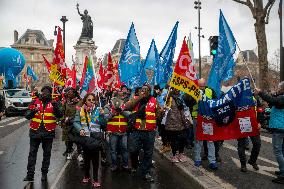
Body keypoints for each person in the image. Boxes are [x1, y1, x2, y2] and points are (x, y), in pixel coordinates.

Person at [23, 86, 63, 182]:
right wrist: (33, 111)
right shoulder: (35, 102)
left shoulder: (54, 103)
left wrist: (56, 106)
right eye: (43, 92)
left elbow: (60, 115)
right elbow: (27, 116)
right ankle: (30, 175)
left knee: (47, 154)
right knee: (32, 154)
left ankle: (44, 174)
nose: (44, 93)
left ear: (50, 93)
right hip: (35, 132)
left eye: (47, 92)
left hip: (48, 133)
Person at [125, 84, 162, 182]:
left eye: (146, 90)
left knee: (148, 153)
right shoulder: (135, 99)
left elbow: (158, 114)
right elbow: (127, 106)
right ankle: (134, 163)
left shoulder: (154, 101)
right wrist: (139, 98)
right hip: (136, 130)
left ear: (150, 91)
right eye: (142, 89)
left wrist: (161, 112)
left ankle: (145, 172)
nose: (144, 91)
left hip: (149, 131)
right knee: (133, 149)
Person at [73, 93, 105, 188]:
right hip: (85, 139)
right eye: (89, 100)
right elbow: (76, 122)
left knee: (95, 160)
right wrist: (80, 129)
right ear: (85, 101)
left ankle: (95, 179)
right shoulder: (80, 110)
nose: (91, 102)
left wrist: (103, 116)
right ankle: (86, 175)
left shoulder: (99, 110)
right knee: (86, 159)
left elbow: (104, 124)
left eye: (93, 100)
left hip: (96, 138)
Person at [255, 81, 284, 184]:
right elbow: (273, 102)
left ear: (282, 88)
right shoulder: (280, 97)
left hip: (279, 128)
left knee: (278, 151)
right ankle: (282, 170)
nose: (277, 88)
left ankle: (283, 174)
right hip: (281, 127)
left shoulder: (282, 97)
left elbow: (272, 100)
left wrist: (260, 93)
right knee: (282, 150)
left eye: (279, 87)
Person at [192, 78, 218, 170]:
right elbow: (188, 102)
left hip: (208, 119)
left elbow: (216, 103)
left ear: (205, 84)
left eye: (203, 86)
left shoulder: (210, 91)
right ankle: (197, 159)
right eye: (200, 86)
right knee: (198, 140)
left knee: (210, 140)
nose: (201, 88)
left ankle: (212, 161)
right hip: (197, 118)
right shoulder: (193, 91)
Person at [237, 93, 261, 172]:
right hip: (241, 123)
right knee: (241, 145)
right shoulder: (236, 99)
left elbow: (259, 110)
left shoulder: (254, 99)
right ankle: (243, 164)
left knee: (257, 144)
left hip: (253, 123)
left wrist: (259, 122)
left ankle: (252, 161)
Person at [104, 94, 129, 171]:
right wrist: (113, 113)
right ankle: (114, 165)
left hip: (123, 132)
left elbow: (129, 116)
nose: (116, 101)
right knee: (113, 150)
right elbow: (106, 118)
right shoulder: (107, 107)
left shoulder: (125, 106)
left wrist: (122, 111)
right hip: (113, 132)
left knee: (124, 149)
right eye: (114, 99)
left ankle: (125, 165)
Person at [164, 88, 188, 162]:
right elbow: (165, 100)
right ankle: (174, 155)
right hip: (172, 123)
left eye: (178, 89)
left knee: (182, 139)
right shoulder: (169, 98)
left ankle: (181, 154)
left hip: (181, 122)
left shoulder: (181, 99)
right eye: (176, 89)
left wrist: (186, 121)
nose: (177, 90)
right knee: (174, 140)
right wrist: (169, 92)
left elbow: (184, 111)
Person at [61, 87, 81, 160]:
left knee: (78, 140)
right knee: (68, 140)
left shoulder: (80, 102)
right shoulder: (66, 102)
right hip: (67, 124)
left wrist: (72, 119)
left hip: (77, 124)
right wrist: (63, 119)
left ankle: (80, 154)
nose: (68, 93)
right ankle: (69, 152)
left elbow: (80, 113)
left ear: (75, 93)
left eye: (70, 92)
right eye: (68, 92)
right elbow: (62, 112)